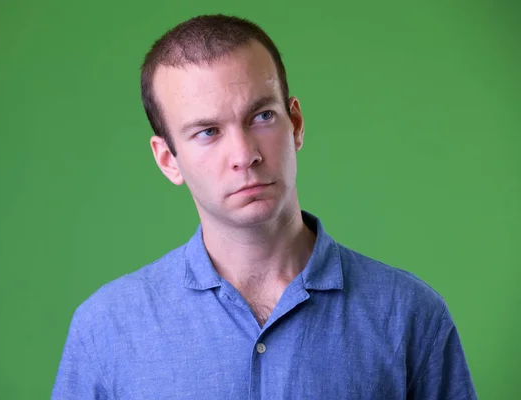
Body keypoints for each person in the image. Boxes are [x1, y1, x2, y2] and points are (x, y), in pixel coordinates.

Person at [52, 14, 477, 399]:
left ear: (295, 124)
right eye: (207, 131)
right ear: (168, 159)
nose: (244, 154)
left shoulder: (410, 315)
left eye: (261, 117)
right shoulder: (105, 329)